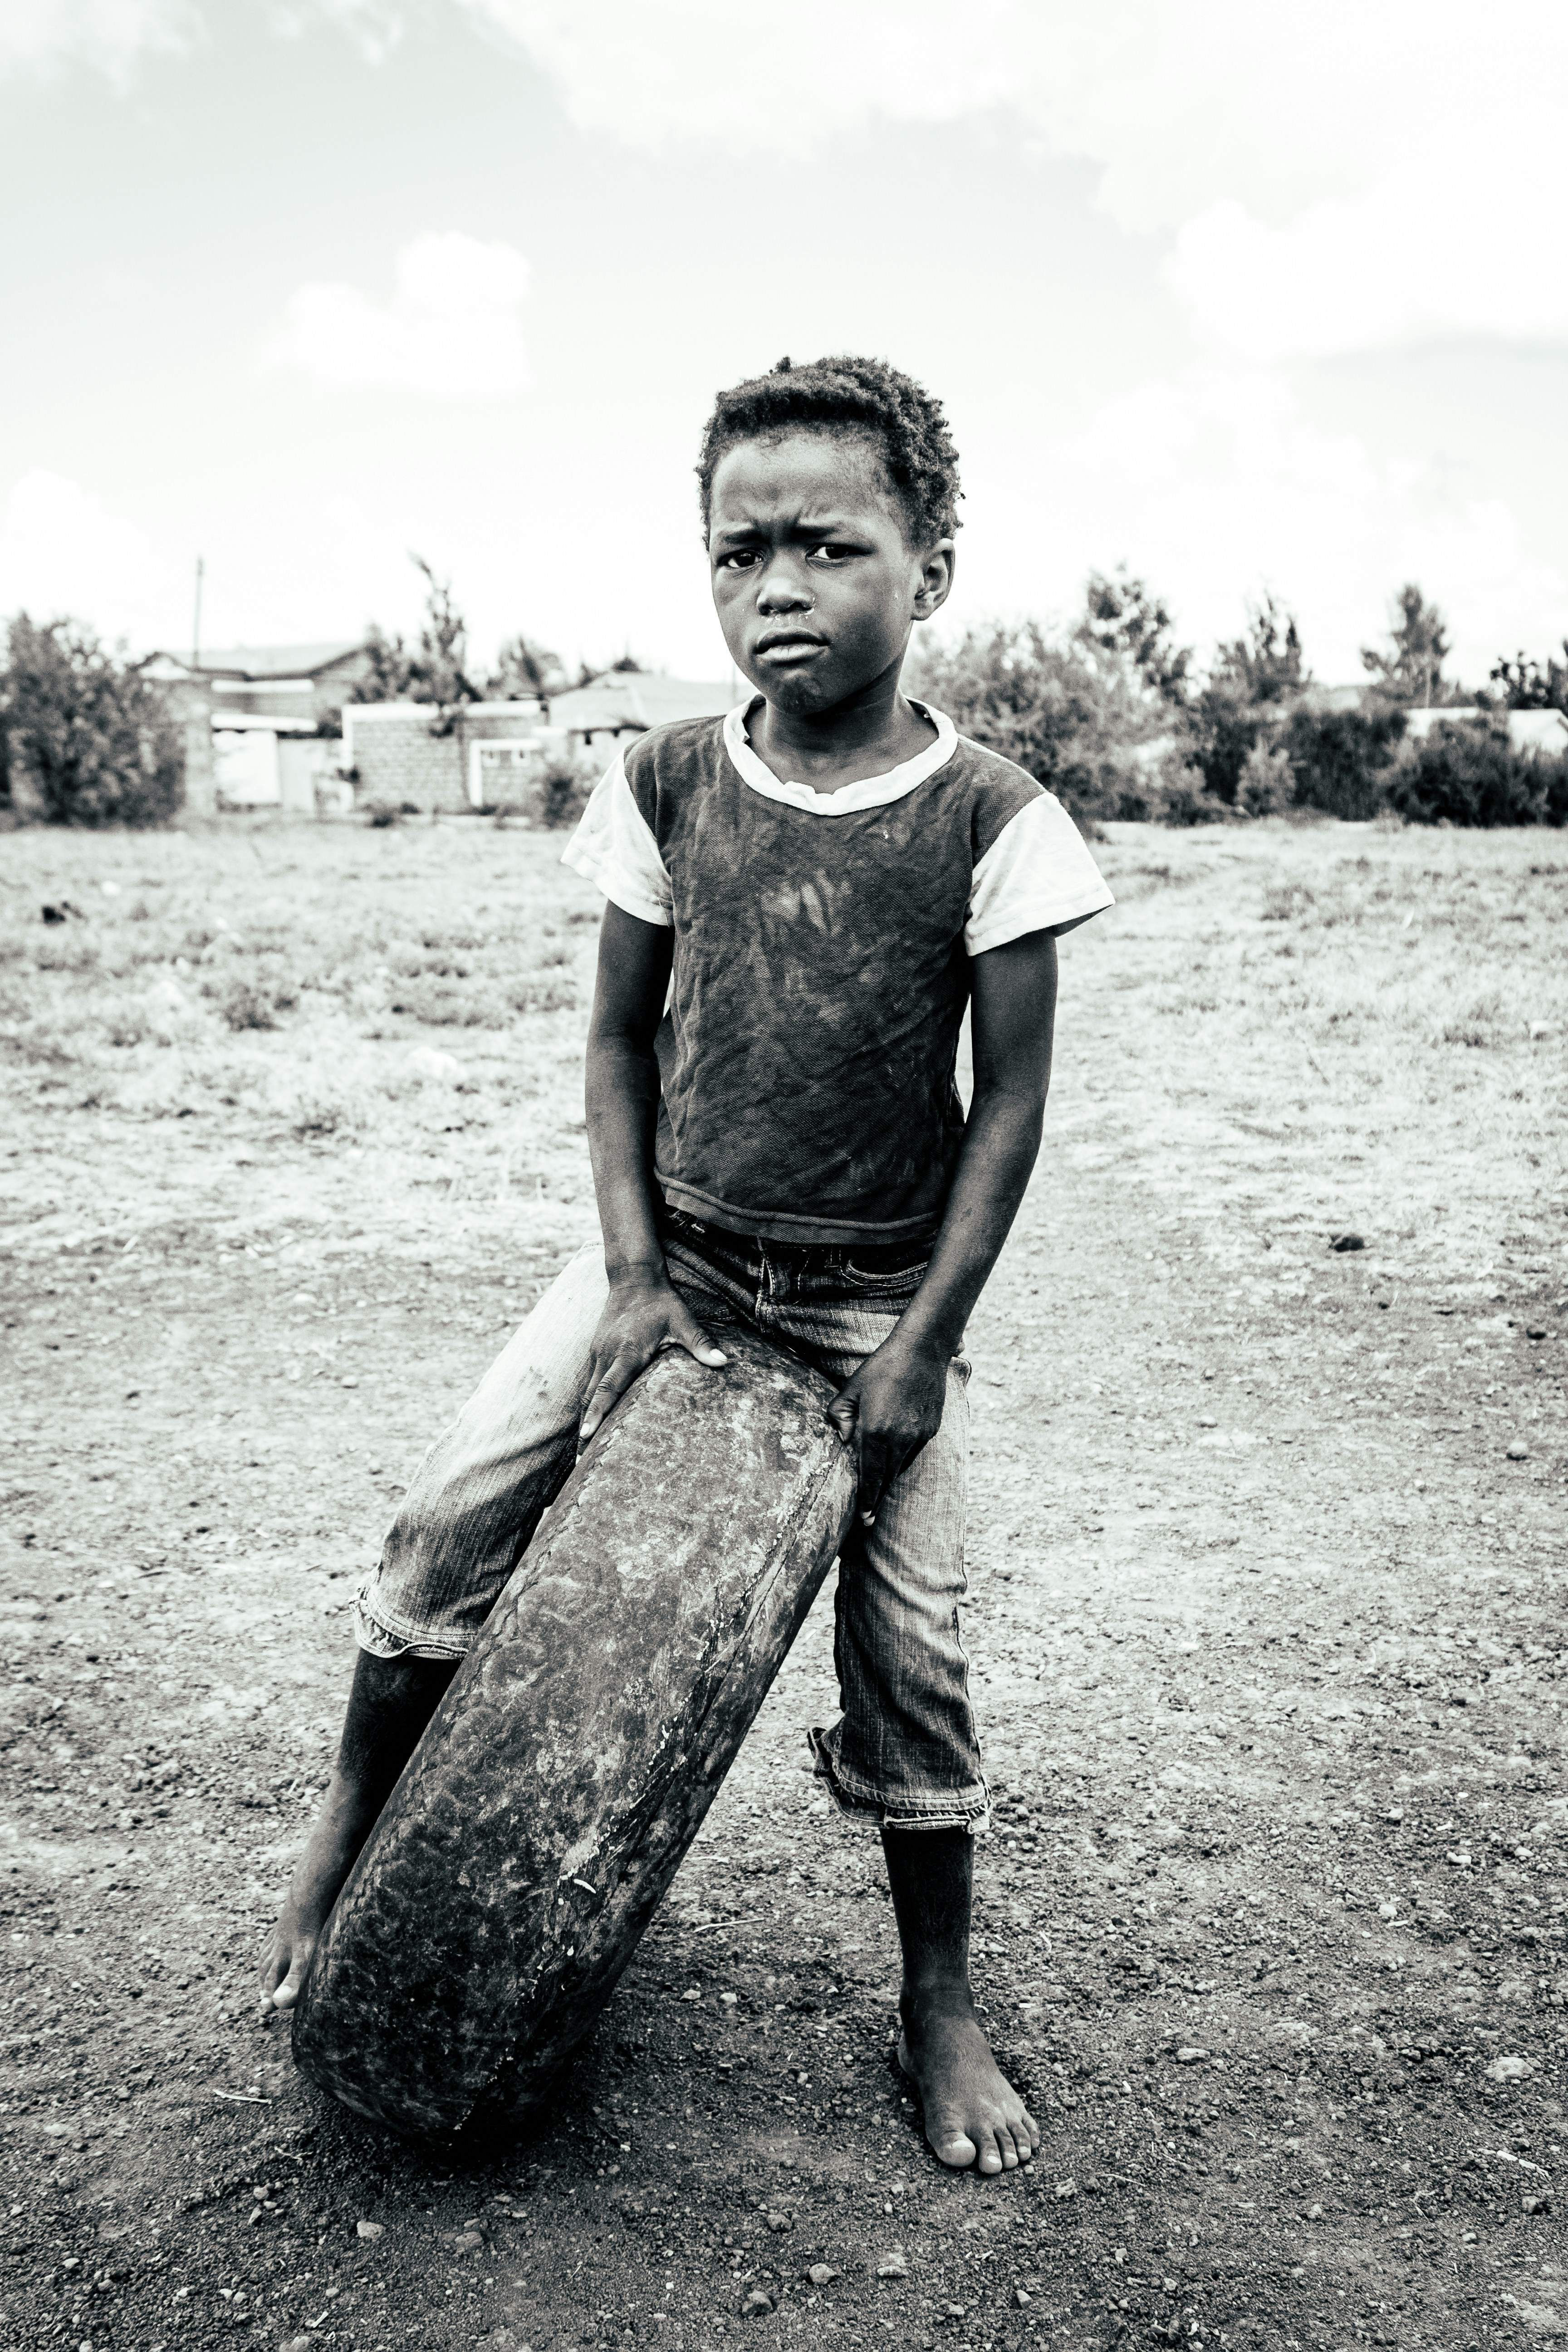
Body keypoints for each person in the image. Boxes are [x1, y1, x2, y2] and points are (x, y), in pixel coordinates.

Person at [261, 354, 1113, 2177]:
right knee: (445, 1526)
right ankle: (346, 1834)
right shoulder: (664, 779)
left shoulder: (997, 820)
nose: (778, 588)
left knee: (915, 1660)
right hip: (682, 1267)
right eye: (740, 555)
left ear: (931, 564)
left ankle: (937, 1997)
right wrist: (634, 1280)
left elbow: (1012, 1111)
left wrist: (922, 1351)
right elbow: (613, 1046)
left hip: (879, 1302)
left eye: (829, 545)